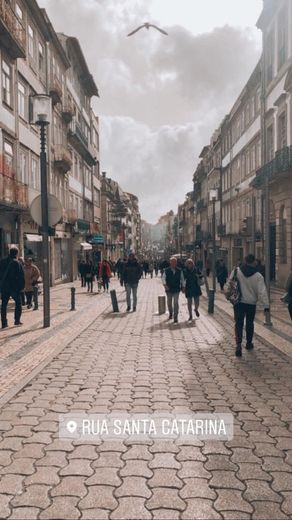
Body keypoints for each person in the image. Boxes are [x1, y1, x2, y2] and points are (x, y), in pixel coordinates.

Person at [227, 254, 269, 358]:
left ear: (245, 261)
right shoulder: (258, 276)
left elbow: (230, 284)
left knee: (239, 323)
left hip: (238, 302)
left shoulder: (236, 271)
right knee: (249, 323)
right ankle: (249, 343)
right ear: (254, 262)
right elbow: (262, 292)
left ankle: (238, 345)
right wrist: (266, 305)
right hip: (251, 303)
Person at [0, 246, 25, 328]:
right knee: (18, 303)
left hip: (4, 287)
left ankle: (4, 323)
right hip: (14, 287)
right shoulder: (17, 263)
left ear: (9, 253)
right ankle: (17, 320)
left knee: (4, 305)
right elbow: (21, 276)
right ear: (17, 253)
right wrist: (22, 287)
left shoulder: (2, 262)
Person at [162, 257, 184, 323]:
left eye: (175, 262)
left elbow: (182, 279)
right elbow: (163, 278)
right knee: (169, 302)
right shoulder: (166, 270)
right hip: (169, 289)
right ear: (170, 262)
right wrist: (165, 285)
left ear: (176, 263)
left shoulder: (179, 270)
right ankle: (171, 313)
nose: (174, 263)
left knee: (175, 302)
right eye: (172, 262)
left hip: (176, 288)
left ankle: (175, 317)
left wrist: (183, 287)